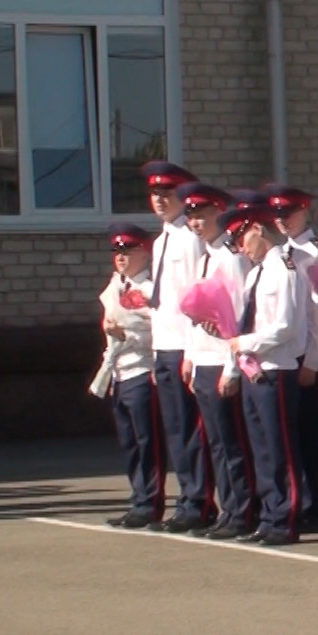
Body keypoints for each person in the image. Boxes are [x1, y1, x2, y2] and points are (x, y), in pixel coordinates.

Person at [222, 205, 310, 546]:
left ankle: (286, 518)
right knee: (261, 448)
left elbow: (286, 327)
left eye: (241, 237)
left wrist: (245, 342)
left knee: (281, 448)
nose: (240, 247)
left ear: (257, 228)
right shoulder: (256, 273)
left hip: (277, 370)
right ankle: (269, 515)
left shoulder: (284, 267)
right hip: (253, 370)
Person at [177, 183, 254, 540]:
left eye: (202, 216)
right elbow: (197, 314)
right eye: (191, 217)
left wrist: (232, 367)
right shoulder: (204, 257)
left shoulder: (231, 258)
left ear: (219, 215)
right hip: (204, 360)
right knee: (217, 444)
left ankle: (241, 511)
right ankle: (228, 509)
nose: (195, 223)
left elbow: (237, 316)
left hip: (224, 360)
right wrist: (191, 357)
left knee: (232, 440)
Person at [141, 160, 210, 532]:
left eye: (167, 194)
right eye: (155, 194)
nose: (160, 200)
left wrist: (191, 351)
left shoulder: (190, 240)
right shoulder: (162, 240)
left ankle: (199, 501)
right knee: (174, 429)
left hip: (185, 346)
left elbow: (197, 300)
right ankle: (186, 496)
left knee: (190, 427)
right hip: (164, 344)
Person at [265, 184, 318, 531]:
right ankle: (306, 503)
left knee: (315, 438)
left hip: (312, 359)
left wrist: (312, 361)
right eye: (277, 215)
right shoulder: (281, 252)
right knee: (295, 435)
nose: (282, 220)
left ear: (304, 212)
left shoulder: (314, 252)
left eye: (288, 213)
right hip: (288, 357)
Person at [99, 224, 161, 529]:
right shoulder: (115, 287)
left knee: (147, 440)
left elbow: (157, 332)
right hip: (120, 372)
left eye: (127, 251)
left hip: (142, 368)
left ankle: (151, 501)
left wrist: (124, 334)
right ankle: (139, 499)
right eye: (116, 251)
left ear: (143, 253)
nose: (120, 257)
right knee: (130, 442)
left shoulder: (149, 289)